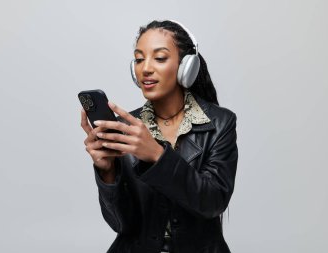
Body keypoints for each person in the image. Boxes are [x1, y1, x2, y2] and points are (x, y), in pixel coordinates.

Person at [80, 20, 238, 253]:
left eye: (160, 58)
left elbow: (213, 202)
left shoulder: (220, 123)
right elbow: (122, 224)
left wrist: (156, 155)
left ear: (187, 66)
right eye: (139, 59)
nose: (145, 69)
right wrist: (107, 172)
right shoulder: (126, 129)